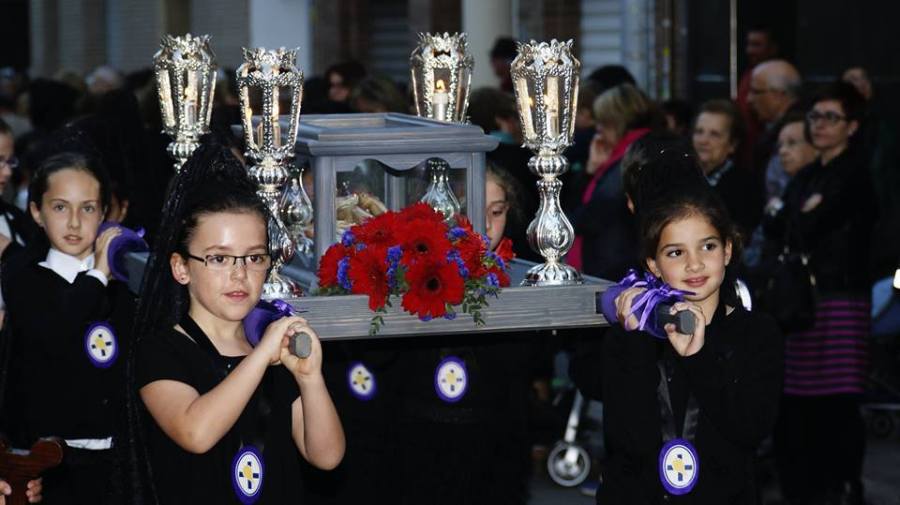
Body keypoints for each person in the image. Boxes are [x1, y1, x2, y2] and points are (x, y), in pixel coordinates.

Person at [128, 144, 344, 504]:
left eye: (254, 257)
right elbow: (196, 432)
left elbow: (326, 455)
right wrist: (260, 357)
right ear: (182, 268)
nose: (240, 274)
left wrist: (310, 378)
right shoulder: (161, 351)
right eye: (219, 258)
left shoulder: (275, 352)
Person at [599, 187, 783, 503]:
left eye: (707, 247)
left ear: (727, 250)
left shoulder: (757, 333)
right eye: (675, 252)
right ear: (653, 265)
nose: (694, 264)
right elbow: (629, 440)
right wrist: (636, 339)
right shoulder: (630, 337)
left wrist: (698, 358)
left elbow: (750, 429)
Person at [0, 152, 131, 505]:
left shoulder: (123, 286)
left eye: (88, 208)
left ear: (104, 213)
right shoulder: (25, 280)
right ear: (36, 212)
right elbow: (58, 328)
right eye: (60, 207)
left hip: (115, 460)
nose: (74, 222)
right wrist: (99, 274)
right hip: (49, 465)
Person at [767, 82, 874, 505]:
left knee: (838, 402)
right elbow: (781, 224)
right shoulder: (808, 176)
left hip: (841, 298)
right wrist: (798, 213)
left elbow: (810, 224)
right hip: (803, 301)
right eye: (815, 116)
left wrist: (799, 215)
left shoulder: (856, 174)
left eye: (831, 117)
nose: (821, 125)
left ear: (851, 126)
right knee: (798, 400)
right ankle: (808, 486)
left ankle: (843, 485)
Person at [569, 83, 660, 279]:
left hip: (616, 270)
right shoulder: (632, 153)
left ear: (616, 122)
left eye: (602, 123)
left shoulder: (631, 160)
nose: (598, 130)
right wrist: (591, 169)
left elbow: (589, 217)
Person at [691, 99, 764, 238]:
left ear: (732, 144)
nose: (703, 140)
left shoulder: (746, 186)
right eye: (699, 132)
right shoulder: (681, 178)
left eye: (714, 134)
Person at [746, 60, 802, 199]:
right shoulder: (769, 131)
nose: (749, 99)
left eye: (755, 92)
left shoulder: (803, 129)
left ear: (778, 95)